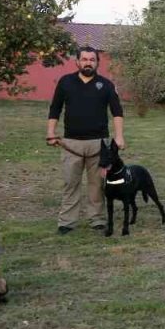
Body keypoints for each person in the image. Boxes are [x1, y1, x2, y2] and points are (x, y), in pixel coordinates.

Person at [46, 46, 124, 234]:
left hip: (99, 144)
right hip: (71, 143)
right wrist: (51, 132)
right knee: (70, 183)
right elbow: (55, 108)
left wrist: (119, 136)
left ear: (97, 62)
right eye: (84, 59)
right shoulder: (66, 82)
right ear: (77, 62)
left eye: (92, 59)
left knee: (97, 184)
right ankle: (66, 222)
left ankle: (96, 219)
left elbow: (117, 112)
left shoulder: (105, 85)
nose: (88, 62)